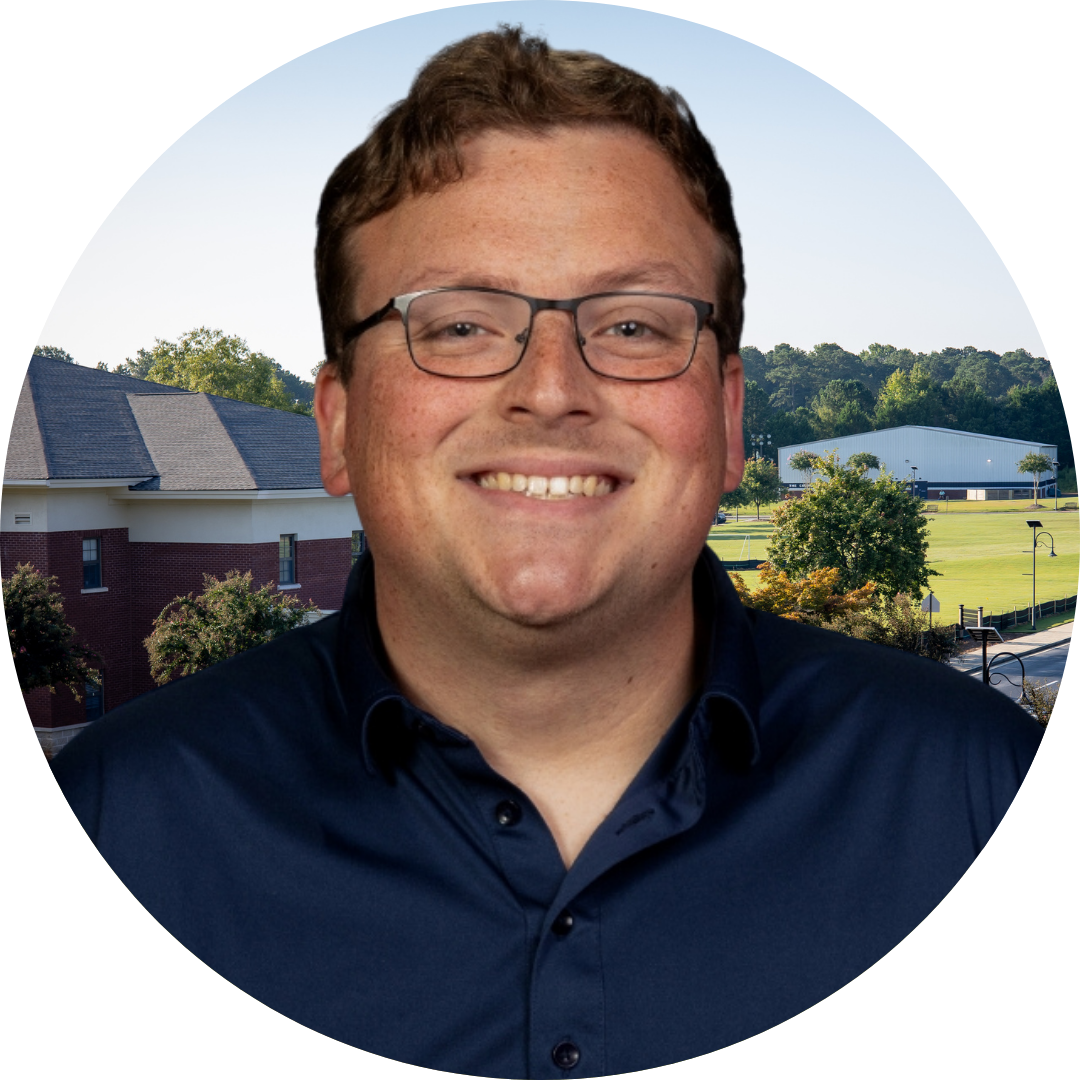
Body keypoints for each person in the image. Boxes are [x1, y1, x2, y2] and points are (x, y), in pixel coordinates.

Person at [48, 27, 1043, 1074]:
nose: (554, 387)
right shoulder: (126, 820)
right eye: (462, 325)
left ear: (730, 418)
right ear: (336, 427)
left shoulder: (975, 792)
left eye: (633, 326)